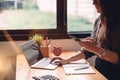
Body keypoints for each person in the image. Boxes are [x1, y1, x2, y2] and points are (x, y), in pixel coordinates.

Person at [50, 0, 120, 80]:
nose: (93, 3)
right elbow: (88, 51)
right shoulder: (99, 20)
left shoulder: (117, 24)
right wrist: (67, 60)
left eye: (96, 1)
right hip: (99, 71)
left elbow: (117, 59)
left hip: (113, 74)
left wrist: (96, 49)